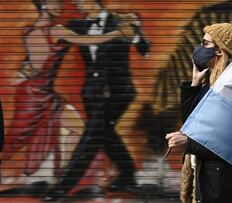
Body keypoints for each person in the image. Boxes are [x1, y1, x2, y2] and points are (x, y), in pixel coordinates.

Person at [0, 0, 134, 195]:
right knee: (15, 140)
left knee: (82, 129)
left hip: (44, 93)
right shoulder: (56, 31)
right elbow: (88, 41)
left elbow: (33, 64)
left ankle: (63, 180)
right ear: (44, 5)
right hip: (33, 96)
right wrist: (118, 33)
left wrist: (27, 67)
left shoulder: (33, 30)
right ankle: (62, 182)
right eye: (55, 3)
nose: (60, 6)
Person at [43, 0, 150, 201]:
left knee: (92, 136)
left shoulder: (121, 21)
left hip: (119, 92)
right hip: (92, 92)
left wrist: (134, 35)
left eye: (81, 1)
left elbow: (145, 50)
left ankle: (62, 187)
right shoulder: (77, 25)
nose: (77, 5)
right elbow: (58, 40)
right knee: (104, 132)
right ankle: (128, 174)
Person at [166, 23, 232, 203]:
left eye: (205, 43)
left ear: (219, 51)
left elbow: (231, 141)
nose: (199, 48)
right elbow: (190, 124)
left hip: (228, 186)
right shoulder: (212, 83)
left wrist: (188, 141)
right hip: (211, 181)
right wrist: (194, 84)